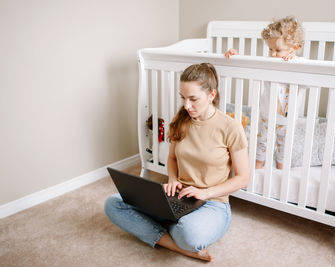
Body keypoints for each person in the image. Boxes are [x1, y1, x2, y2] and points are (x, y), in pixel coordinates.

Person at [104, 63, 250, 261]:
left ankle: (170, 231)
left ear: (211, 94)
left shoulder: (231, 127)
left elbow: (243, 178)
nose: (187, 105)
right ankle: (176, 245)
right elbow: (172, 158)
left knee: (189, 234)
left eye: (193, 99)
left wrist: (204, 192)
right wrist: (172, 179)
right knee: (114, 203)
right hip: (178, 197)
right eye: (183, 98)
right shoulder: (181, 121)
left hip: (212, 203)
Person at [224, 16, 305, 169]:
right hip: (267, 115)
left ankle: (281, 169)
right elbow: (249, 66)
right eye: (270, 49)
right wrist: (235, 57)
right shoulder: (268, 64)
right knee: (262, 143)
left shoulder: (300, 65)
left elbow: (309, 77)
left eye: (278, 50)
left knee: (284, 146)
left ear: (295, 48)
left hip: (288, 119)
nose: (273, 54)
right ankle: (257, 167)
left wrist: (295, 60)